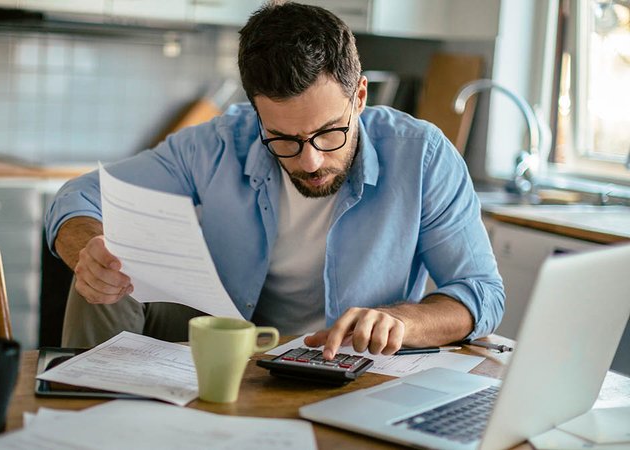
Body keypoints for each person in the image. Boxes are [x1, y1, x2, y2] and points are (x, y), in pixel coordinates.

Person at [45, 1, 504, 359]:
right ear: (257, 113)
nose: (309, 160)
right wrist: (89, 248)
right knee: (104, 260)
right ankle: (84, 419)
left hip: (346, 360)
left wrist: (400, 322)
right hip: (229, 338)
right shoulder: (220, 142)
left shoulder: (422, 154)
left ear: (359, 96)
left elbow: (481, 293)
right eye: (282, 138)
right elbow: (78, 194)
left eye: (329, 133)